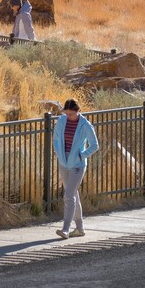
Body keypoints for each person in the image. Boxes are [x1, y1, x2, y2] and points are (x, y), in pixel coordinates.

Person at [52, 98, 99, 239]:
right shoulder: (61, 120)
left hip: (78, 164)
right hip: (64, 162)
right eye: (66, 113)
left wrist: (81, 155)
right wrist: (59, 153)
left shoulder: (85, 125)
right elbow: (55, 139)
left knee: (68, 195)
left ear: (78, 111)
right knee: (73, 195)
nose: (68, 116)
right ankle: (80, 228)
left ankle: (66, 228)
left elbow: (94, 145)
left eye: (71, 114)